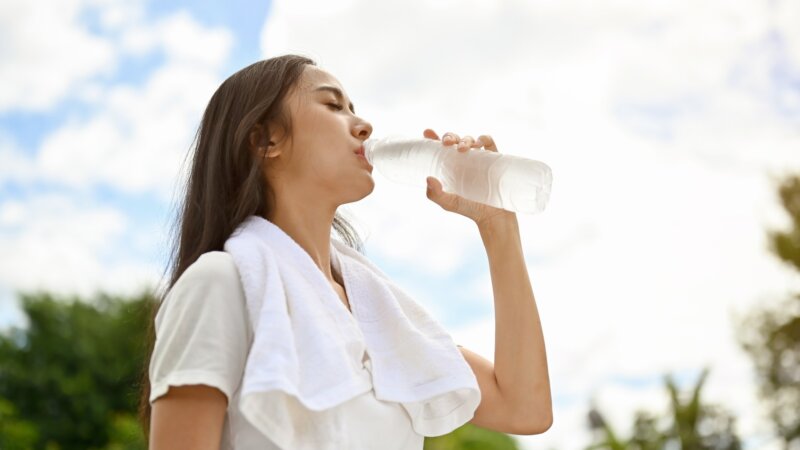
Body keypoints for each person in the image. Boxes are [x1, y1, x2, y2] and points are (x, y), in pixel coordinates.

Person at [138, 54, 553, 449]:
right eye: (333, 106)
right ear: (266, 140)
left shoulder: (383, 316)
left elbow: (525, 409)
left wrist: (499, 228)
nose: (364, 125)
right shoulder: (222, 285)